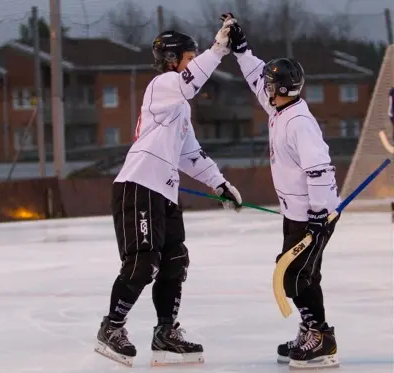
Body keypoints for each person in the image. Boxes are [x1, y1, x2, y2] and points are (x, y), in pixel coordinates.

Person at [94, 19, 244, 367]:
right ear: (173, 60)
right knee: (144, 263)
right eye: (189, 58)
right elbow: (190, 84)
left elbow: (190, 153)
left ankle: (165, 333)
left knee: (175, 260)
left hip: (163, 192)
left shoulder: (180, 107)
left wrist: (220, 184)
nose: (193, 64)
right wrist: (219, 49)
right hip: (139, 185)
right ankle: (112, 328)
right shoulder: (162, 86)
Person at [222, 13, 341, 369]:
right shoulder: (280, 109)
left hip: (312, 215)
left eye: (271, 86)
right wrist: (241, 49)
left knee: (294, 274)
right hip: (296, 213)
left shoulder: (299, 123)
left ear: (283, 89)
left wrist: (319, 214)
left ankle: (319, 338)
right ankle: (313, 330)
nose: (266, 89)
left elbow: (320, 168)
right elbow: (255, 75)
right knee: (303, 274)